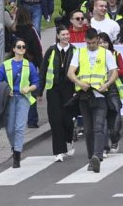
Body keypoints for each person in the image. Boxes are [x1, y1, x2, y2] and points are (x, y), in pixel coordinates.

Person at [67, 27, 118, 173]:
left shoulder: (105, 53)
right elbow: (71, 72)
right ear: (85, 41)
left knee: (99, 126)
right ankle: (91, 159)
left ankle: (97, 156)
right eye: (89, 43)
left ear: (98, 40)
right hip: (85, 95)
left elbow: (114, 72)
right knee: (88, 130)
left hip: (100, 95)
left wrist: (107, 84)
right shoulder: (79, 52)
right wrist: (79, 83)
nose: (91, 45)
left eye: (94, 42)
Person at [0, 36, 39, 168]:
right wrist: (7, 91)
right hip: (10, 98)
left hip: (24, 98)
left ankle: (17, 154)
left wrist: (29, 88)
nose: (22, 49)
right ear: (14, 49)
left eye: (23, 47)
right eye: (19, 47)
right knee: (10, 128)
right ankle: (14, 147)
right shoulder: (6, 65)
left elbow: (36, 82)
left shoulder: (29, 65)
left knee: (19, 127)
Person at [37, 25, 76, 162]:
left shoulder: (75, 51)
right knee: (55, 120)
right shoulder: (51, 50)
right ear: (58, 36)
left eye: (67, 34)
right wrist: (39, 91)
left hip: (69, 88)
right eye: (63, 35)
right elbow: (43, 71)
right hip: (53, 88)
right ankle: (58, 151)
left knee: (67, 119)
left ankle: (69, 139)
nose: (66, 37)